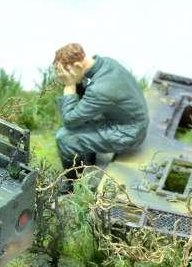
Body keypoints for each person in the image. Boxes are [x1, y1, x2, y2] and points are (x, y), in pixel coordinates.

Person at [53, 43, 149, 176]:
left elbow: (70, 121)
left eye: (65, 72)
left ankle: (73, 182)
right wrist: (76, 81)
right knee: (83, 116)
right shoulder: (107, 63)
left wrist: (69, 86)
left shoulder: (99, 90)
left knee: (64, 138)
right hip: (130, 119)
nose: (61, 76)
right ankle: (89, 156)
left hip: (128, 133)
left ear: (78, 66)